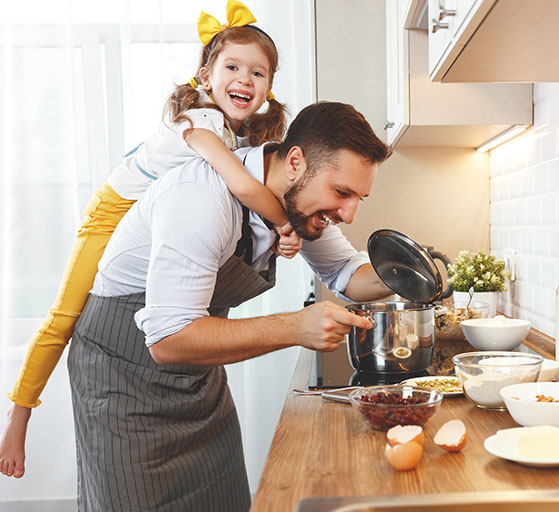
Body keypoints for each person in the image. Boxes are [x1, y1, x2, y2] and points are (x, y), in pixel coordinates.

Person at [0, 0, 299, 479]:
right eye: (232, 66)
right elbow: (244, 188)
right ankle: (18, 416)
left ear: (268, 89)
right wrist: (288, 224)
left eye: (258, 72)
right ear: (204, 76)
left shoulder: (240, 137)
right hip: (113, 212)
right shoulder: (201, 122)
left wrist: (278, 237)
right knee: (64, 316)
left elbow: (244, 204)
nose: (245, 78)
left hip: (149, 220)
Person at [68, 100, 392, 511]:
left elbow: (347, 273)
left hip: (198, 380)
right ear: (295, 161)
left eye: (359, 197)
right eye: (342, 192)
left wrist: (414, 274)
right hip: (123, 382)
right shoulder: (202, 198)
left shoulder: (297, 203)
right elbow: (169, 339)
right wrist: (295, 328)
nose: (348, 212)